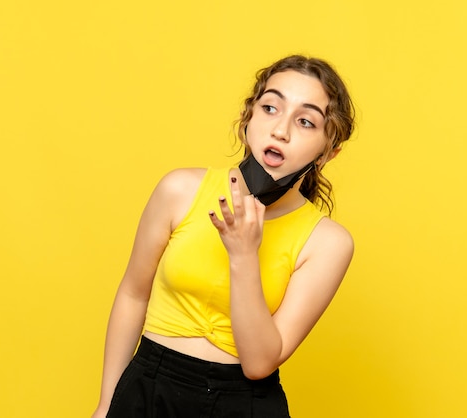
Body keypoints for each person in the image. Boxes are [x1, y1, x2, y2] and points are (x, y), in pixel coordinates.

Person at [91, 55, 356, 418]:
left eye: (306, 121)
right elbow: (133, 294)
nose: (281, 130)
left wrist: (244, 254)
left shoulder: (327, 243)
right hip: (149, 389)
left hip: (242, 403)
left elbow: (260, 363)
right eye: (270, 108)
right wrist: (107, 405)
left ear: (329, 151)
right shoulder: (179, 189)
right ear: (248, 117)